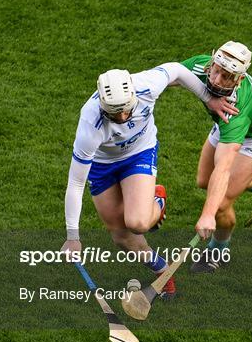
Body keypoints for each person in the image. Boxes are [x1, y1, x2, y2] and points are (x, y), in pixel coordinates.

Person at [61, 63, 237, 298]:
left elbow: (176, 70)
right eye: (115, 114)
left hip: (139, 153)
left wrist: (208, 98)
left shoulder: (146, 85)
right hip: (102, 166)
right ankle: (162, 272)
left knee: (138, 223)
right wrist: (73, 237)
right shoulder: (90, 124)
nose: (122, 118)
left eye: (126, 110)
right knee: (121, 236)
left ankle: (156, 199)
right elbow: (75, 183)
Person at [181, 41, 252, 273]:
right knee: (203, 181)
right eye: (216, 70)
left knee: (221, 204)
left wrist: (208, 215)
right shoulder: (202, 66)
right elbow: (168, 74)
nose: (216, 80)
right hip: (224, 123)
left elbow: (224, 166)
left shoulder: (238, 108)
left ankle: (217, 249)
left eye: (226, 77)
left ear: (238, 79)